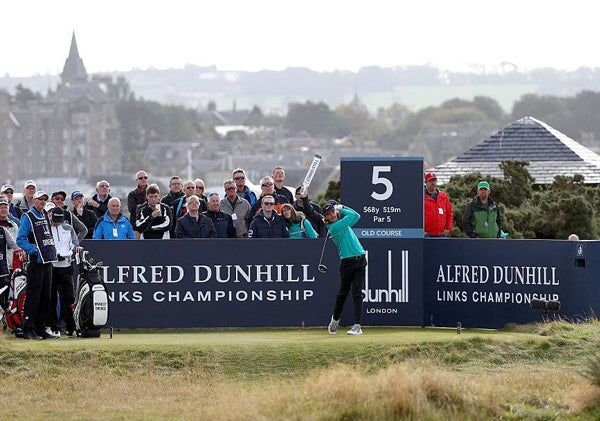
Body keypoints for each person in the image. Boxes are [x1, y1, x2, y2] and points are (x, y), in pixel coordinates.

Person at [16, 191, 59, 340]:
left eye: (44, 199)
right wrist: (34, 250)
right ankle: (28, 328)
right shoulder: (28, 216)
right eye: (40, 199)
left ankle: (40, 328)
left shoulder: (45, 215)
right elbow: (20, 239)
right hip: (36, 262)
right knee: (33, 296)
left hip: (48, 261)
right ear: (34, 201)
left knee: (46, 296)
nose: (42, 202)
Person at [322, 200, 367, 336]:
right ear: (326, 218)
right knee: (343, 293)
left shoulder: (342, 224)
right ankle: (335, 320)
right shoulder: (334, 228)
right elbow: (352, 216)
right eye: (329, 214)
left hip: (360, 259)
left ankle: (357, 326)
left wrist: (340, 208)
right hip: (347, 262)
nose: (332, 215)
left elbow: (357, 216)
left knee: (357, 292)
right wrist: (340, 208)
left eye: (332, 212)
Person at [46, 207, 78, 338]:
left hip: (66, 266)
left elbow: (75, 244)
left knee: (69, 298)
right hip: (51, 268)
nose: (57, 223)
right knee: (51, 299)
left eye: (59, 220)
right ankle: (54, 328)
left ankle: (71, 328)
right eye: (55, 220)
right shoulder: (46, 228)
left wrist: (69, 252)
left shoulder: (69, 228)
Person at [0, 197, 21, 317]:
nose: (3, 210)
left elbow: (15, 245)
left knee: (8, 296)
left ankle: (7, 323)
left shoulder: (13, 225)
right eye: (1, 207)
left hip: (10, 265)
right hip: (2, 264)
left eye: (5, 207)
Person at [423, 172, 453, 237]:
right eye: (430, 181)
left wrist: (448, 228)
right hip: (427, 235)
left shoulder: (443, 196)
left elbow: (449, 213)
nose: (432, 183)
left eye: (434, 180)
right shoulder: (421, 197)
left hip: (442, 234)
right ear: (425, 182)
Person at [127, 170, 149, 239]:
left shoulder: (154, 193)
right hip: (136, 227)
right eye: (140, 178)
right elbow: (132, 210)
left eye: (145, 177)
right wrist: (147, 206)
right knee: (135, 248)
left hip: (151, 227)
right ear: (137, 180)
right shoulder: (132, 194)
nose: (143, 179)